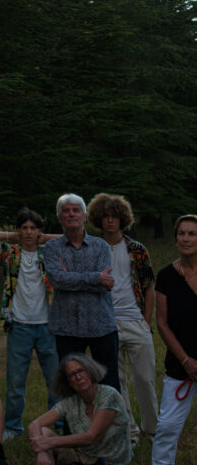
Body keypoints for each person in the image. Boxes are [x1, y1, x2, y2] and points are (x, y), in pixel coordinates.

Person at [0, 209, 60, 441]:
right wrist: (12, 236)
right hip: (19, 325)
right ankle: (13, 426)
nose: (28, 232)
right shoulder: (11, 253)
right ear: (19, 230)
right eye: (24, 228)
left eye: (33, 228)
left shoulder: (49, 253)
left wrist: (44, 238)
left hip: (48, 325)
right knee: (16, 382)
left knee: (55, 380)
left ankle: (58, 423)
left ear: (39, 230)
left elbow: (70, 237)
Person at [87, 192, 158, 445]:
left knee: (145, 379)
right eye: (105, 216)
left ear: (123, 219)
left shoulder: (137, 250)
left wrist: (146, 321)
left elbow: (149, 286)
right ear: (98, 219)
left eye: (115, 216)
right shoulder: (92, 249)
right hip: (106, 324)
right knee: (116, 384)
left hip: (135, 321)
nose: (110, 220)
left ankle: (153, 430)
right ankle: (129, 433)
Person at [42, 193, 120, 391]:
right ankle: (77, 413)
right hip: (67, 328)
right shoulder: (51, 248)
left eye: (76, 210)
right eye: (66, 211)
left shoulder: (101, 246)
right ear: (59, 218)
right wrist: (95, 277)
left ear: (84, 217)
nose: (71, 214)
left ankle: (110, 413)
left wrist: (71, 277)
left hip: (101, 324)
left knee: (109, 384)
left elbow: (105, 284)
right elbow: (58, 280)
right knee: (72, 386)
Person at [28, 353, 132, 465]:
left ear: (90, 371)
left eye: (81, 371)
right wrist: (42, 453)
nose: (78, 377)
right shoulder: (69, 402)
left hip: (110, 461)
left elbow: (91, 437)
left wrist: (50, 442)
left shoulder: (109, 395)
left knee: (45, 439)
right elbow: (35, 424)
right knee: (43, 432)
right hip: (82, 457)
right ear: (68, 382)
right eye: (72, 375)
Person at [151, 213, 197, 465]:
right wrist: (187, 361)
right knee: (167, 426)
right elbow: (162, 323)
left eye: (192, 234)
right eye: (181, 233)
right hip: (181, 364)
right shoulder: (166, 276)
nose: (186, 238)